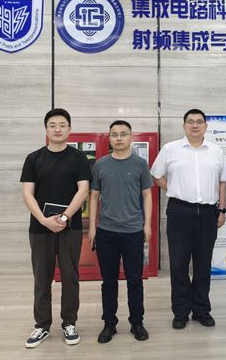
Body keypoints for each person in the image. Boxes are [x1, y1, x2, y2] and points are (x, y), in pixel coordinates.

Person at [20, 108, 91, 348]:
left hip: (70, 227)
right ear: (46, 129)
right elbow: (27, 194)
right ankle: (42, 326)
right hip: (40, 228)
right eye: (53, 125)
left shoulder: (78, 158)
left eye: (62, 125)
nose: (57, 129)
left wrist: (64, 217)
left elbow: (83, 189)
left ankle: (69, 323)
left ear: (69, 129)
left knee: (70, 277)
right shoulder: (33, 158)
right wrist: (43, 219)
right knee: (42, 278)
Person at [150, 109, 226, 330]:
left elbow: (222, 182)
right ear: (184, 125)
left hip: (208, 212)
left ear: (206, 126)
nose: (195, 125)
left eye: (199, 122)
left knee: (203, 264)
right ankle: (181, 311)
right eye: (190, 122)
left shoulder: (216, 151)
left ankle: (201, 310)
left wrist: (222, 209)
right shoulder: (171, 149)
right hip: (179, 212)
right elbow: (156, 174)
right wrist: (173, 188)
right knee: (178, 264)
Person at [89, 120, 153, 343]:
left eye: (123, 134)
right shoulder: (100, 165)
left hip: (133, 231)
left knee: (135, 280)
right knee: (109, 281)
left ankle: (137, 322)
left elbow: (147, 194)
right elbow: (94, 196)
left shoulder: (140, 164)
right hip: (106, 231)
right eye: (114, 134)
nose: (118, 138)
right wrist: (92, 228)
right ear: (109, 138)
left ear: (131, 137)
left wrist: (147, 224)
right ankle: (109, 323)